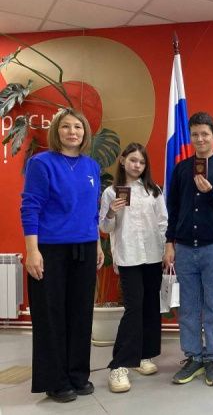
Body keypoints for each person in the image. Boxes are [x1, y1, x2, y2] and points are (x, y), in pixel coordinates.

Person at [21, 108, 104, 403]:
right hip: (50, 250)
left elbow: (93, 211)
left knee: (81, 315)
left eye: (78, 127)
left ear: (85, 133)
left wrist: (97, 244)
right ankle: (55, 381)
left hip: (85, 247)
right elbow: (30, 206)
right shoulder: (41, 163)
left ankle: (78, 375)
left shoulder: (92, 166)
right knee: (51, 315)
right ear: (56, 131)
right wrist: (32, 251)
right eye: (66, 127)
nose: (72, 132)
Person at [163, 112, 213, 386]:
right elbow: (172, 209)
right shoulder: (182, 169)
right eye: (195, 134)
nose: (200, 138)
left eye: (205, 133)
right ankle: (193, 357)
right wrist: (169, 243)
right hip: (184, 248)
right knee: (189, 307)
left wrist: (210, 192)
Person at [99, 142, 168, 393]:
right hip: (128, 257)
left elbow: (163, 222)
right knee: (133, 308)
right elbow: (105, 228)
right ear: (122, 160)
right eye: (133, 160)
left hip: (153, 256)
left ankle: (143, 355)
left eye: (141, 162)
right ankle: (119, 365)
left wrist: (165, 250)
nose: (137, 165)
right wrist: (111, 212)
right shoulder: (111, 192)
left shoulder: (153, 190)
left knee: (150, 306)